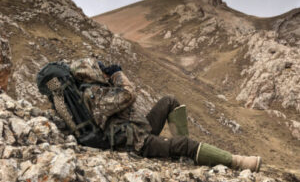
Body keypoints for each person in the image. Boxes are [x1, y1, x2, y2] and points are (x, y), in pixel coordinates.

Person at [67, 58, 261, 172]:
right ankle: (238, 162)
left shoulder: (96, 91)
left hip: (138, 130)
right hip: (134, 143)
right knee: (185, 144)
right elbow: (128, 95)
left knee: (169, 101)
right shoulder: (92, 95)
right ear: (90, 72)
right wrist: (118, 75)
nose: (102, 71)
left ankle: (184, 154)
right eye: (98, 68)